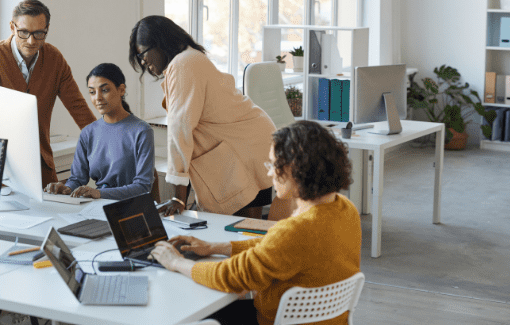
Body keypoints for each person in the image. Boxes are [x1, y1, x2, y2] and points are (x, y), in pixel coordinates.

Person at [150, 121, 361, 325]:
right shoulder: (344, 208)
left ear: (294, 170)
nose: (269, 172)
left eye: (273, 164)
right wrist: (215, 247)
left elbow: (231, 276)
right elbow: (276, 247)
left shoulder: (296, 232)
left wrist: (176, 262)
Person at [129, 15, 289, 218]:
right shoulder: (189, 59)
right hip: (250, 142)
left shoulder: (183, 64)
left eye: (142, 53)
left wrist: (178, 198)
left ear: (158, 43)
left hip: (246, 146)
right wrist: (181, 196)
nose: (143, 61)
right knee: (242, 228)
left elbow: (180, 130)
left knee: (241, 229)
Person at [0, 0, 95, 187]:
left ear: (47, 30)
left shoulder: (54, 59)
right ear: (12, 27)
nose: (31, 41)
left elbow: (78, 107)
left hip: (37, 156)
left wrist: (104, 144)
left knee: (51, 207)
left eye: (39, 34)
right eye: (24, 32)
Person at [44, 63, 155, 200]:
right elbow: (77, 179)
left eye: (105, 90)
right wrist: (66, 188)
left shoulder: (142, 131)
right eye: (92, 92)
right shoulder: (88, 133)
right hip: (98, 206)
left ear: (121, 90)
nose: (97, 98)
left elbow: (143, 186)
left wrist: (100, 193)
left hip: (130, 207)